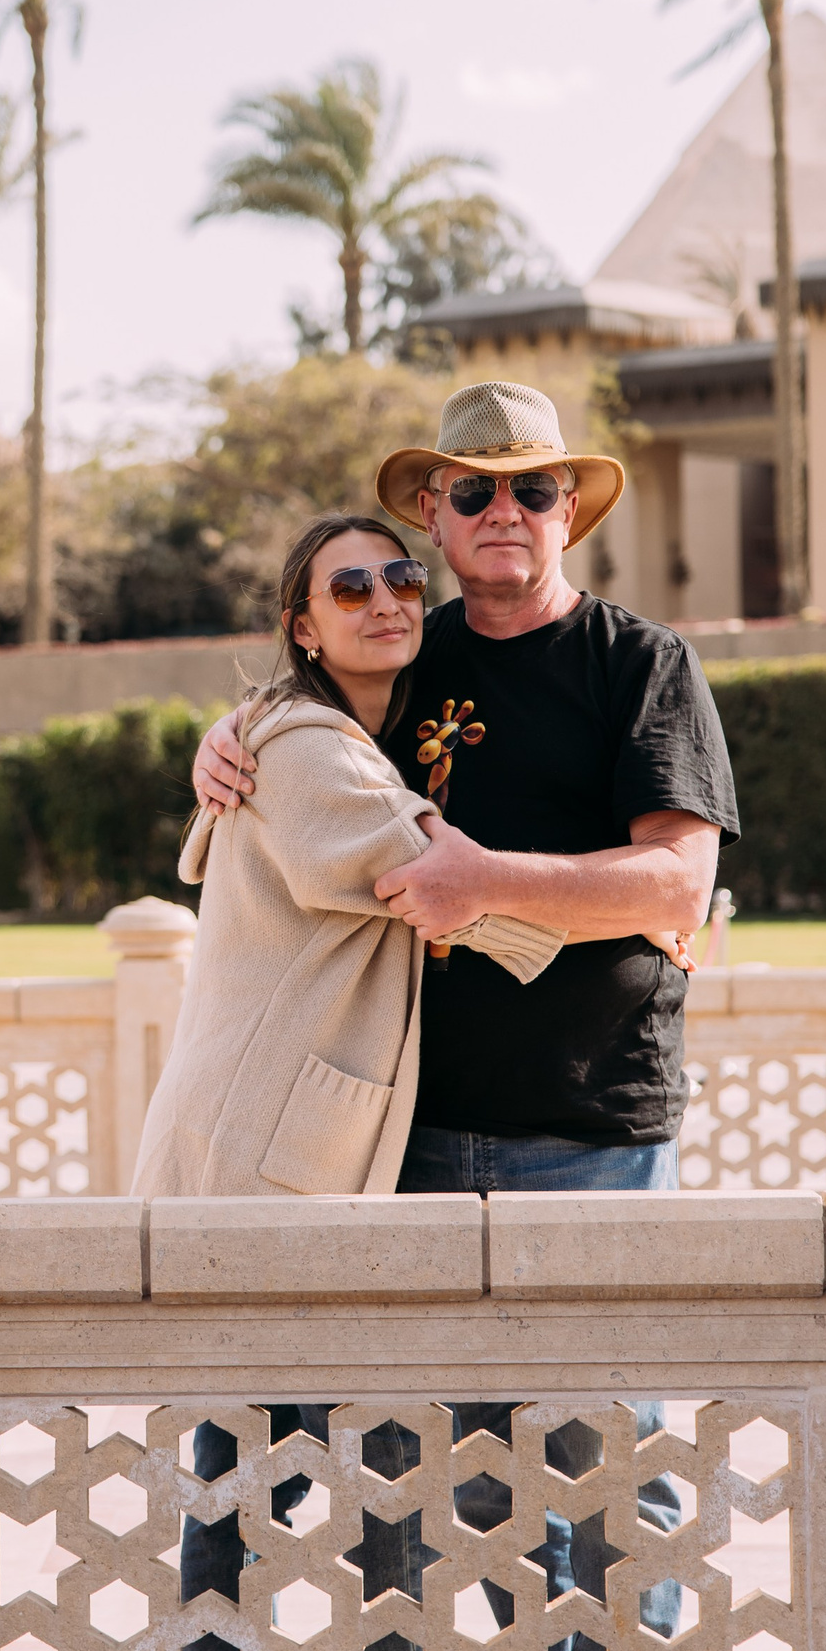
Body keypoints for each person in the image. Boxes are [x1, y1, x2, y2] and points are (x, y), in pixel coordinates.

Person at [191, 380, 738, 1194]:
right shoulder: (405, 657)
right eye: (475, 491)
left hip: (592, 1137)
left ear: (567, 512)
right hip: (400, 1133)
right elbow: (315, 732)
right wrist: (240, 727)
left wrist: (485, 881)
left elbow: (681, 887)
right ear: (434, 515)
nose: (504, 511)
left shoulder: (642, 664)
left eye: (534, 489)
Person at [135, 513, 562, 1200]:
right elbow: (450, 884)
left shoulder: (319, 732)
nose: (386, 603)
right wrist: (637, 915)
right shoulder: (308, 750)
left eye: (404, 579)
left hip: (262, 1120)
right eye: (352, 589)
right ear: (304, 629)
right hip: (251, 1133)